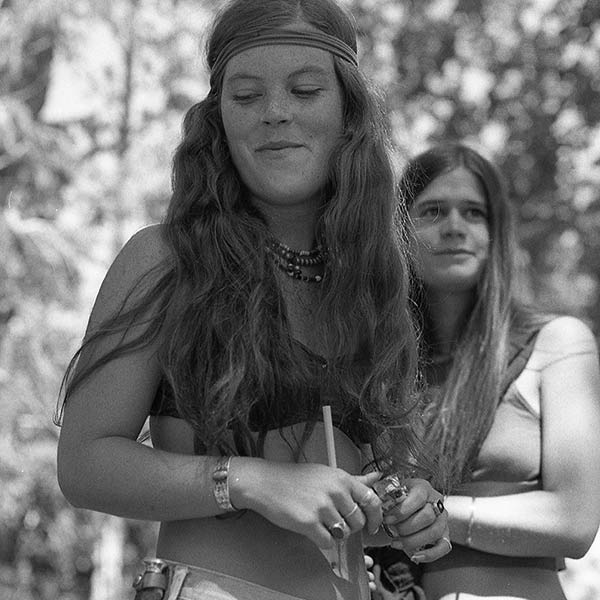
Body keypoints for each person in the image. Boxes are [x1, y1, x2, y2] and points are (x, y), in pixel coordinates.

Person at [54, 2, 451, 599]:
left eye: (305, 90)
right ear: (219, 123)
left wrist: (408, 506)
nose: (276, 113)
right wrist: (248, 479)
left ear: (348, 115)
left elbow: (354, 496)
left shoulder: (375, 283)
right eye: (246, 97)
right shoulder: (164, 260)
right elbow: (84, 465)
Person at [369, 142, 600, 600]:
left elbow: (575, 520)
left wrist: (435, 512)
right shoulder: (375, 362)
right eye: (433, 211)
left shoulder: (556, 343)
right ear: (400, 229)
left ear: (496, 234)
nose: (455, 227)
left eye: (474, 213)